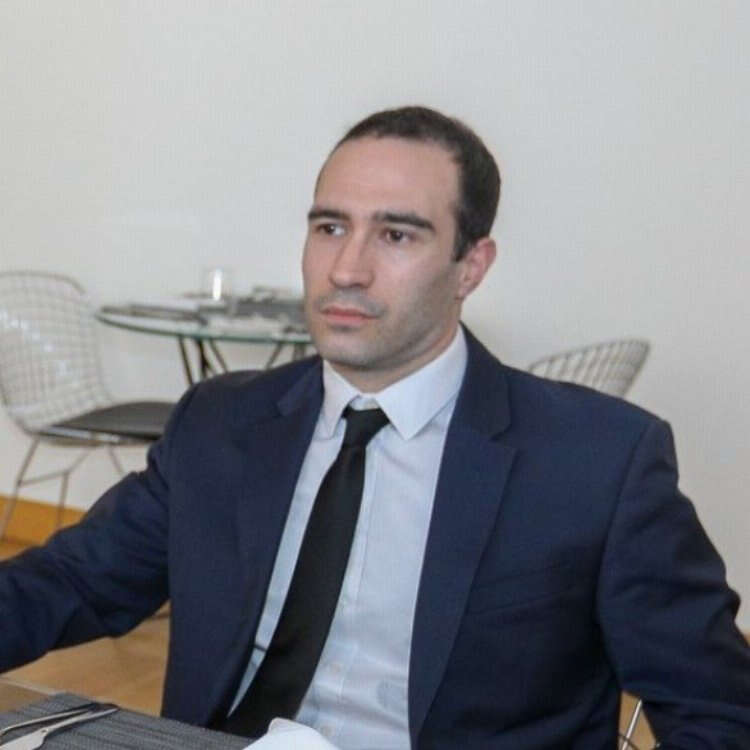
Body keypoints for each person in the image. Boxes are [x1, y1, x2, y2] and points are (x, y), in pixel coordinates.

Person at [1, 106, 749, 749]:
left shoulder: (597, 462)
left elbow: (718, 711)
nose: (347, 269)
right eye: (330, 227)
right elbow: (73, 582)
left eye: (396, 235)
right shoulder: (222, 423)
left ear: (471, 265)